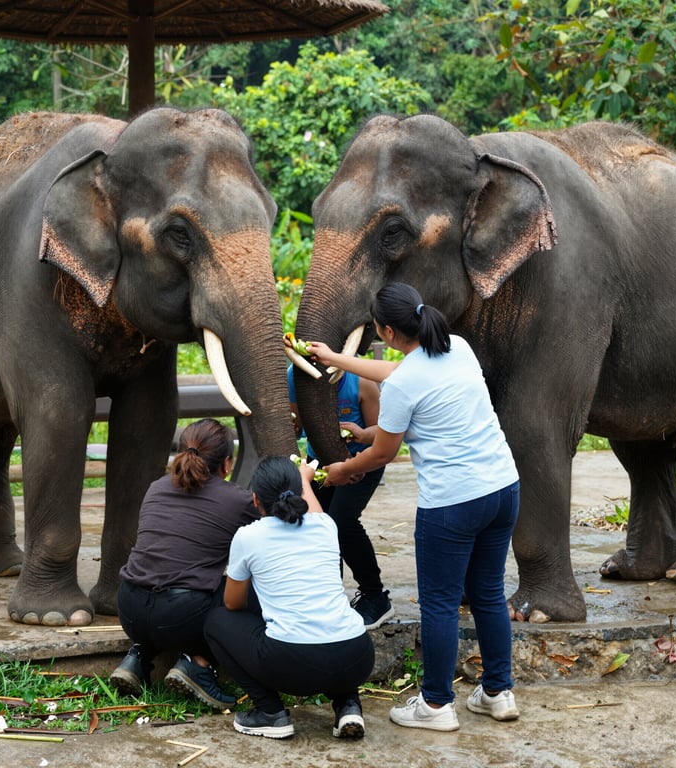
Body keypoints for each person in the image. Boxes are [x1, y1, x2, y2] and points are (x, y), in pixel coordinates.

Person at [306, 282, 520, 732]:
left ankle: (437, 704)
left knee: (440, 604)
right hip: (502, 488)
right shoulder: (458, 347)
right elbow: (401, 378)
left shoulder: (404, 383)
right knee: (487, 593)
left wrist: (342, 470)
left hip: (452, 503)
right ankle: (498, 692)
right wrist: (334, 358)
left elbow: (384, 452)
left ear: (385, 330)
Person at [203, 456, 375, 740]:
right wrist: (304, 478)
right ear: (299, 492)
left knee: (216, 621)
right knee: (329, 621)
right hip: (357, 656)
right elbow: (315, 512)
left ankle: (269, 712)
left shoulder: (248, 536)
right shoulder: (326, 526)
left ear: (255, 499)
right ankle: (348, 704)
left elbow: (233, 603)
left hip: (294, 667)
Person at [109, 418, 258, 709]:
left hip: (128, 608)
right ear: (227, 464)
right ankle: (197, 664)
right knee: (246, 593)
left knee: (167, 582)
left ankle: (137, 657)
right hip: (180, 616)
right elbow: (272, 538)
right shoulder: (237, 500)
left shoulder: (156, 488)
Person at [287, 364, 394, 629]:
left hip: (362, 460)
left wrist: (358, 439)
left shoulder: (362, 380)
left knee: (341, 523)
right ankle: (329, 594)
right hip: (320, 460)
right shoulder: (294, 375)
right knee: (317, 524)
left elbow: (381, 434)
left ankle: (375, 596)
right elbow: (298, 427)